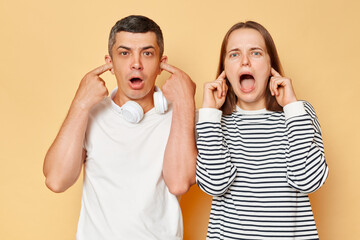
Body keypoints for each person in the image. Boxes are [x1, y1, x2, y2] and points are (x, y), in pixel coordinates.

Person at [43, 15, 197, 240]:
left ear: (162, 64)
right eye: (124, 53)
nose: (136, 63)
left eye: (147, 53)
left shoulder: (181, 114)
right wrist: (80, 104)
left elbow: (180, 182)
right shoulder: (91, 113)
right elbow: (56, 180)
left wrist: (185, 103)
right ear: (110, 63)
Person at [196, 21, 329, 239]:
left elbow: (308, 180)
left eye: (256, 53)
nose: (245, 61)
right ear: (225, 70)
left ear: (270, 66)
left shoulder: (299, 113)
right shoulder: (212, 121)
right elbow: (215, 185)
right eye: (234, 54)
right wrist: (209, 114)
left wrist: (292, 107)